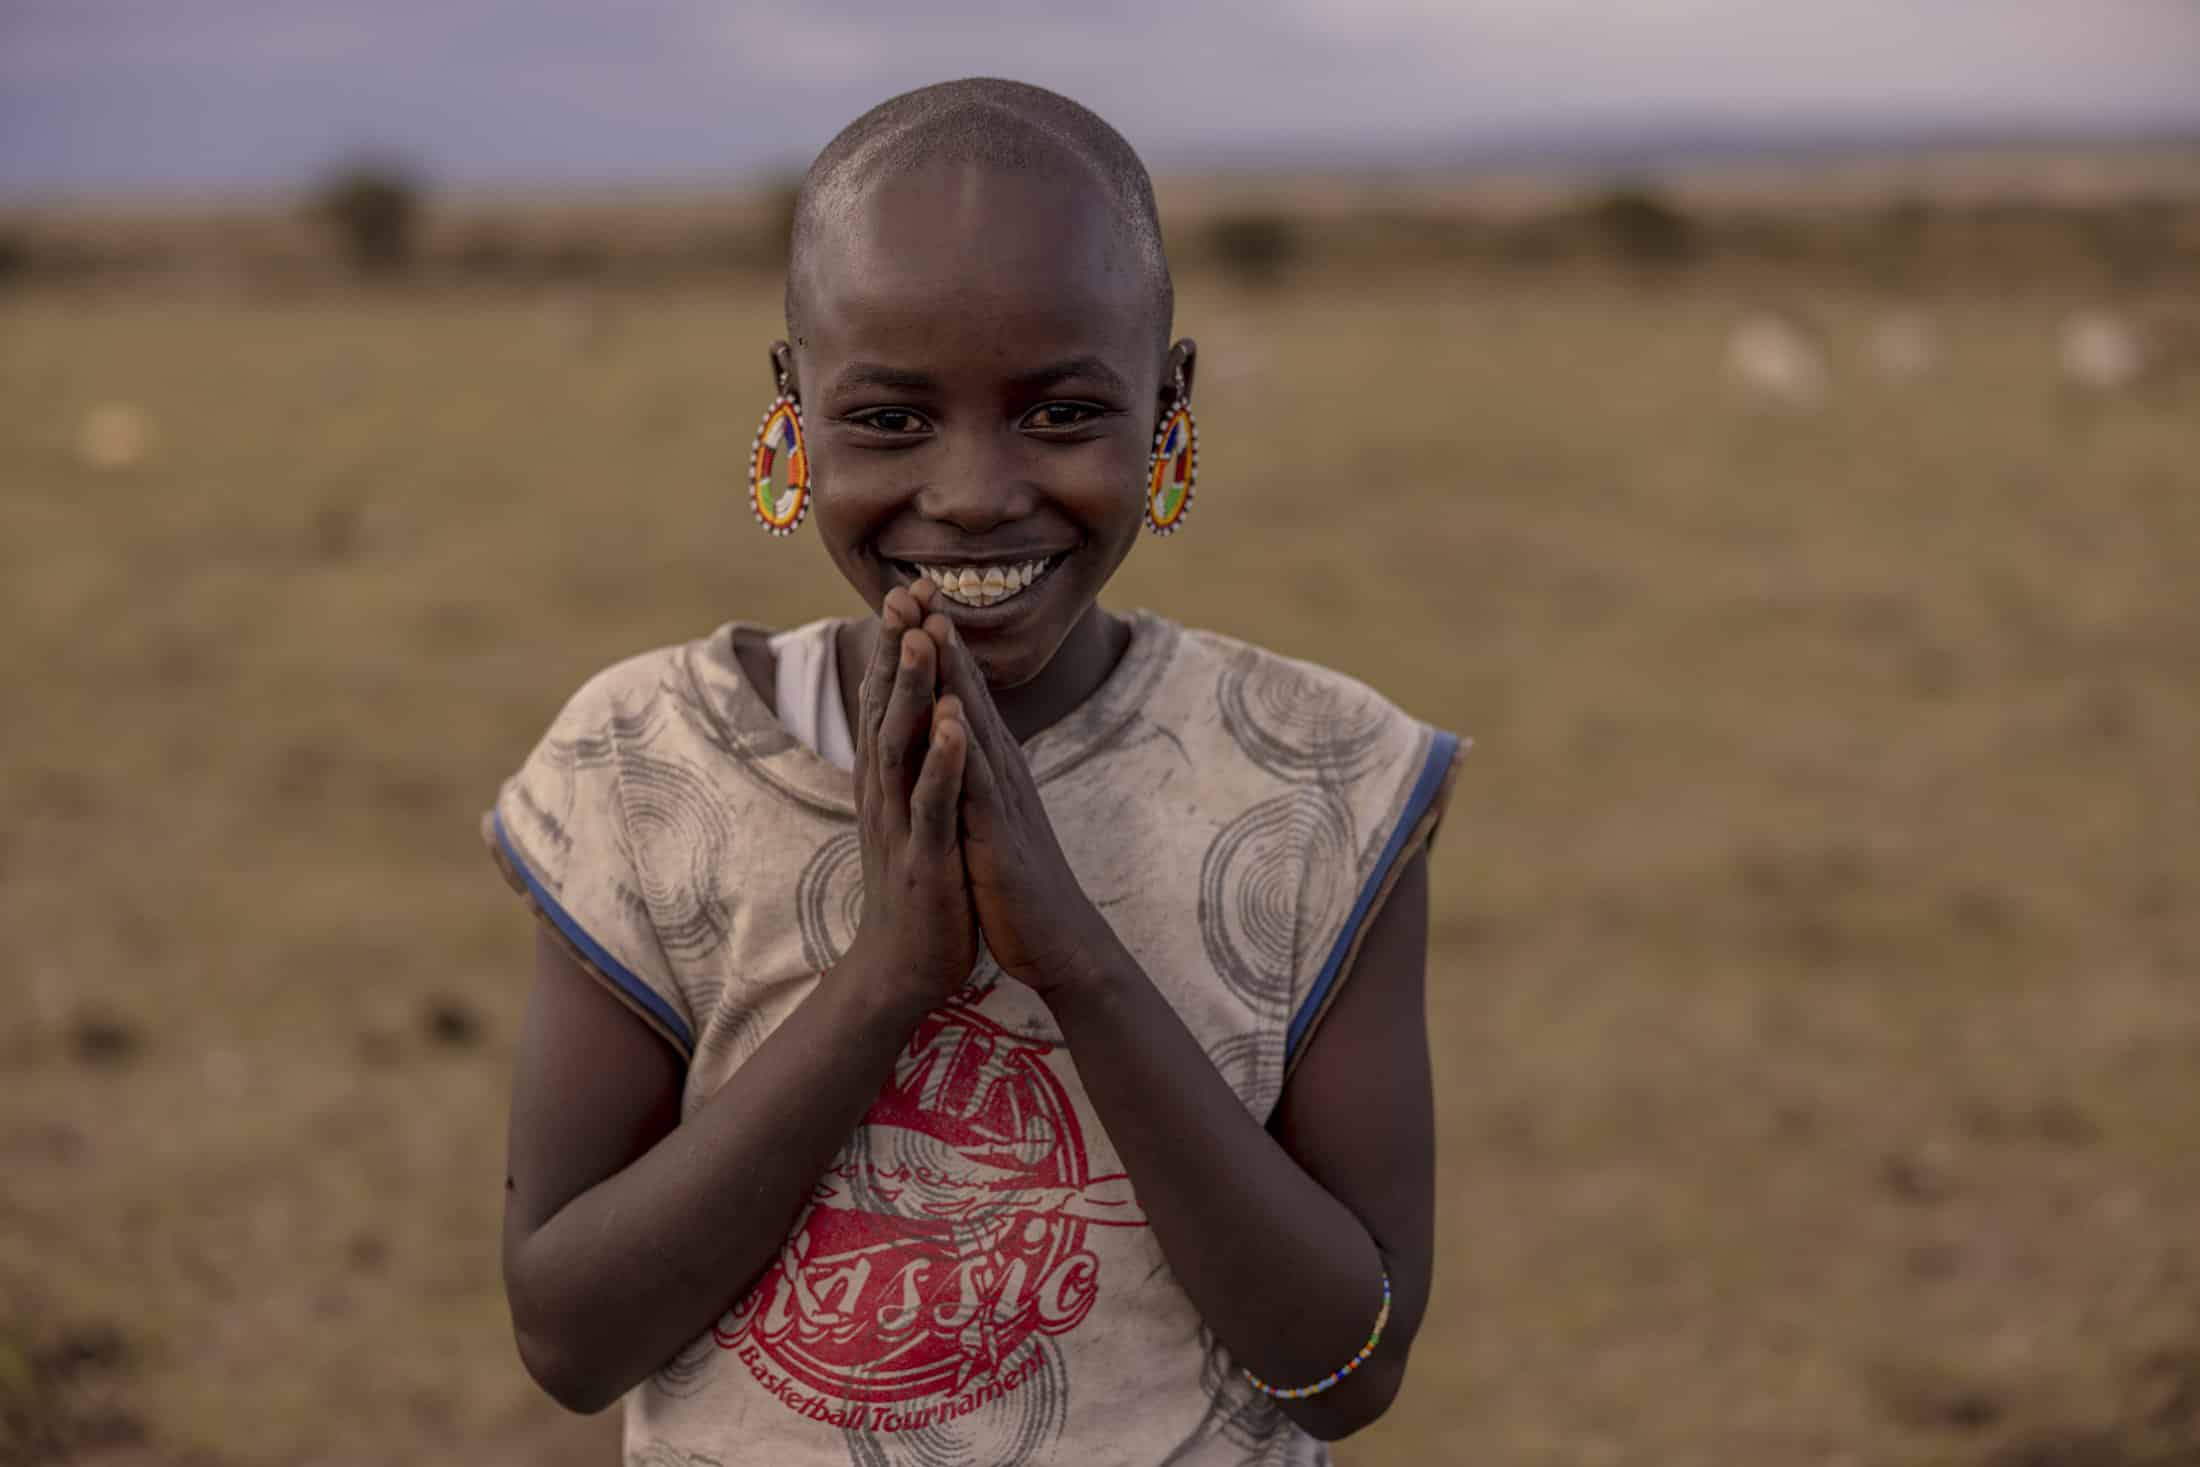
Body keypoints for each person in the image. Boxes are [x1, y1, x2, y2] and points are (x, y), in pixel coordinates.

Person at [485, 77, 1467, 1467]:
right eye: (890, 420)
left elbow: (1348, 1368)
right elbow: (568, 1342)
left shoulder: (1321, 781)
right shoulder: (651, 764)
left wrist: (1077, 960)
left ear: (1168, 402)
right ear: (793, 409)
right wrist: (889, 975)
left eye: (1060, 414)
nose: (972, 494)